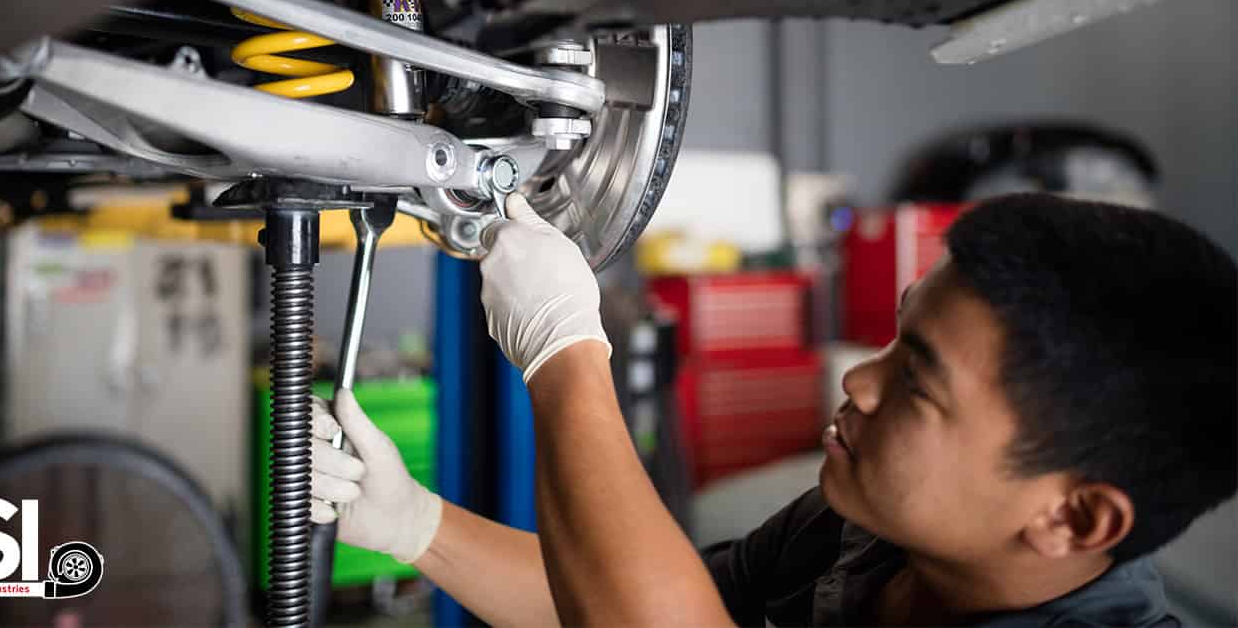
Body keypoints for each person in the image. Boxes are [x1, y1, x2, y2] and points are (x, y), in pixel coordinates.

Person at [308, 192, 1237, 626]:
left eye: (918, 381)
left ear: (1074, 517)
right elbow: (627, 601)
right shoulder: (867, 531)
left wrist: (563, 353)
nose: (859, 381)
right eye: (895, 337)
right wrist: (419, 525)